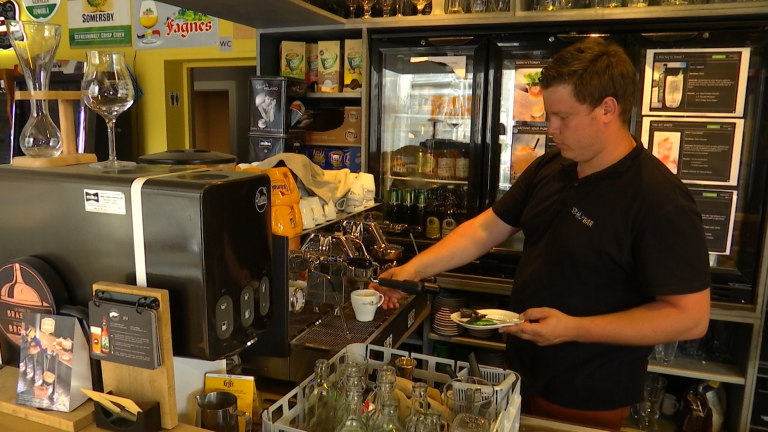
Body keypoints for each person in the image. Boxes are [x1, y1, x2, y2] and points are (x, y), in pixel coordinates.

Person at [370, 38, 710, 430]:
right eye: (549, 114)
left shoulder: (658, 199)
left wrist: (573, 329)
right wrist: (412, 270)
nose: (551, 129)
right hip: (520, 372)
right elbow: (484, 229)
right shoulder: (552, 167)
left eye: (563, 116)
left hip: (587, 392)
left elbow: (690, 317)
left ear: (608, 109)